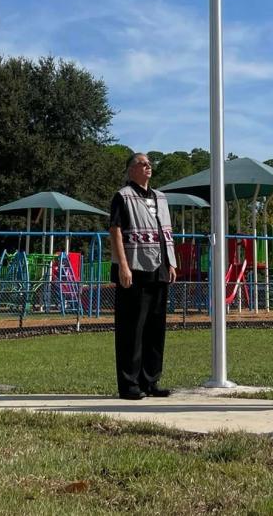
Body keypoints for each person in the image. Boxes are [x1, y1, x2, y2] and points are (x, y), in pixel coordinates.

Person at [109, 152, 177, 400]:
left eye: (149, 163)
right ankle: (129, 384)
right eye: (142, 163)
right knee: (132, 329)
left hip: (159, 270)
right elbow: (115, 230)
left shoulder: (161, 198)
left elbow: (165, 232)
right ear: (131, 170)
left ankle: (151, 380)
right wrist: (122, 267)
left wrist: (171, 262)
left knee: (155, 328)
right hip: (135, 270)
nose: (148, 166)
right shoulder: (122, 197)